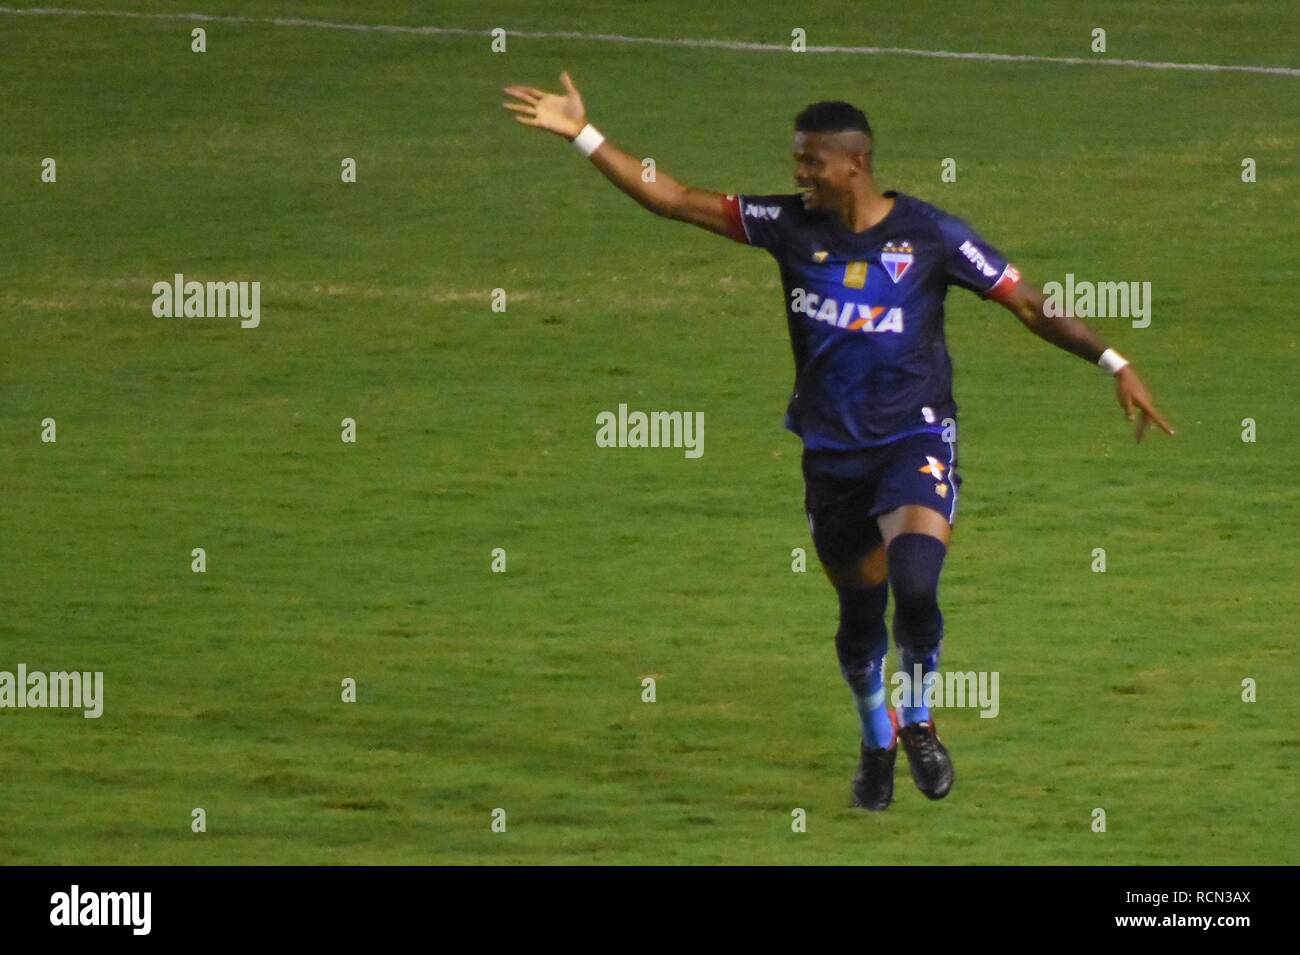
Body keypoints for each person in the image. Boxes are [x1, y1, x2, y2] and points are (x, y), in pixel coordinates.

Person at [503, 73, 1173, 810]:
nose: (798, 173)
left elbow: (1030, 304)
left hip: (913, 438)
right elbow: (673, 197)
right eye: (796, 159)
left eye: (810, 161)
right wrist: (583, 134)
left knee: (917, 585)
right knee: (860, 619)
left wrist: (1115, 361)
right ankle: (875, 734)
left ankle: (917, 718)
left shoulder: (929, 235)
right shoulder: (789, 225)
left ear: (854, 162)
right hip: (831, 455)